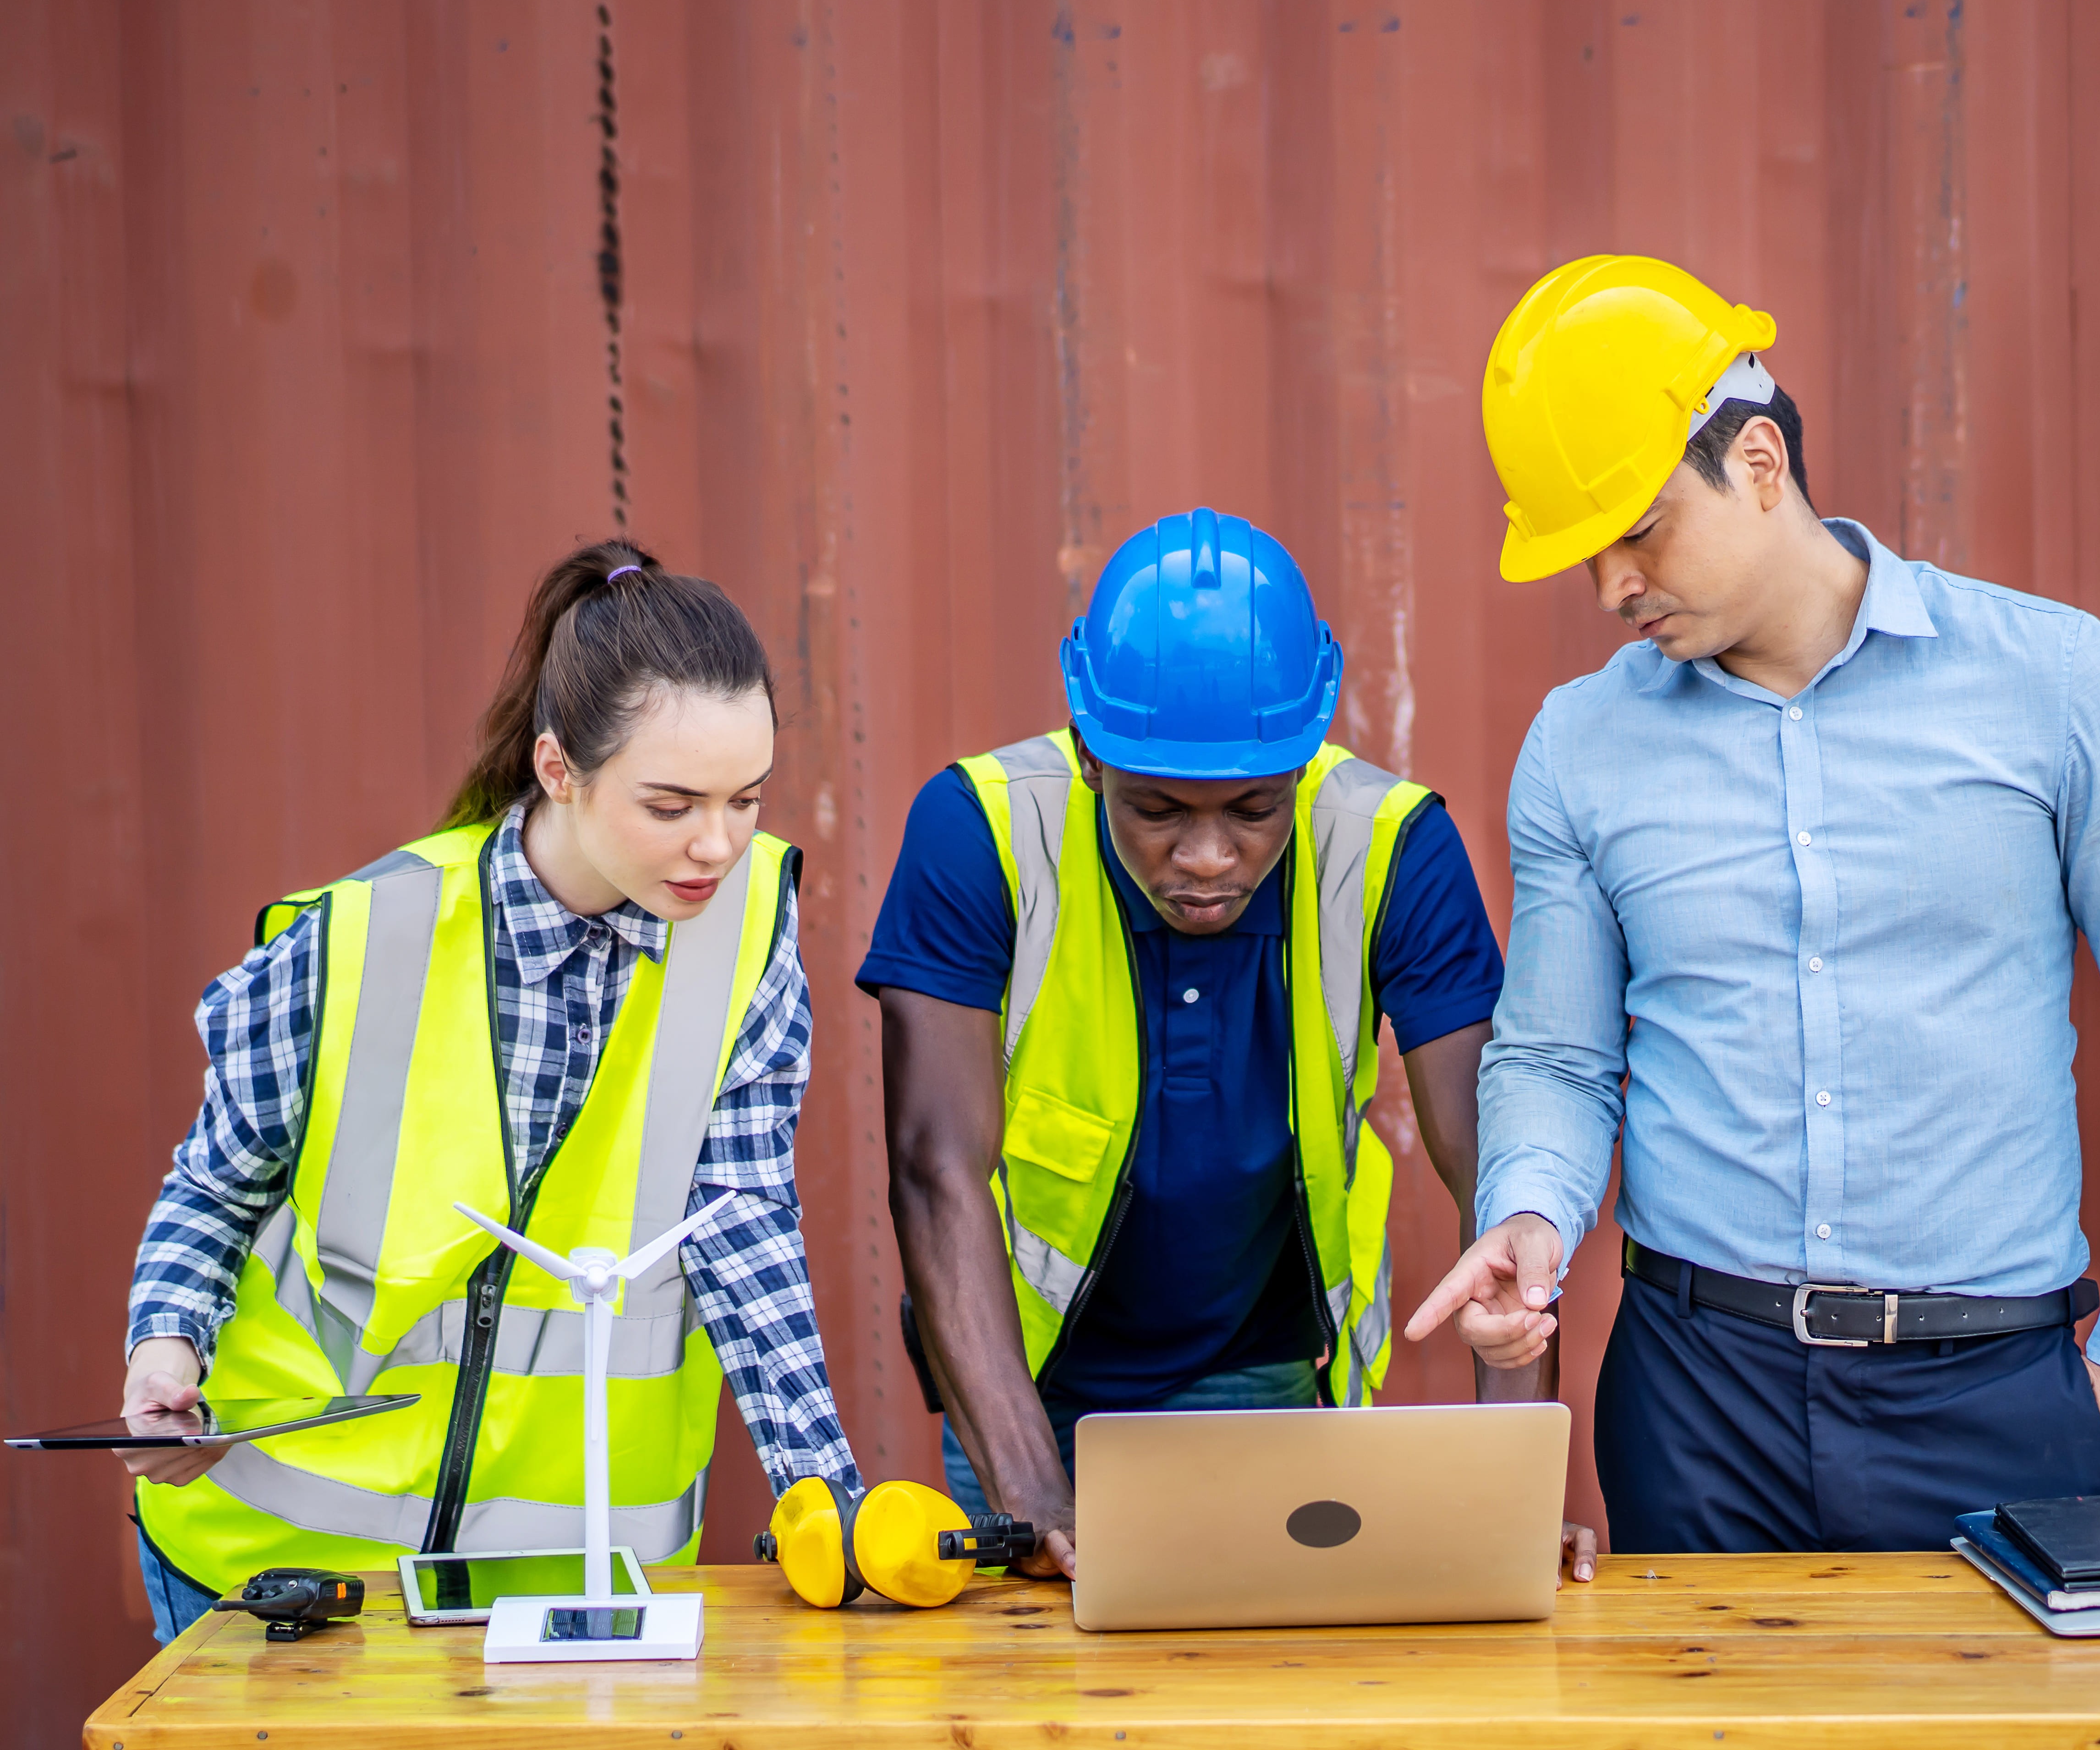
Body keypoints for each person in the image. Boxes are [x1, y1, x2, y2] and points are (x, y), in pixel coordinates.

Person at [1408, 255, 2100, 1554]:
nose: (1611, 589)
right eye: (1589, 556)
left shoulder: (2060, 687)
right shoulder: (1580, 746)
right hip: (1693, 1406)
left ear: (1757, 462)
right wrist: (1527, 1213)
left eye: (1637, 530)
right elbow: (1557, 1059)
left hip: (1996, 1394)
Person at [120, 541, 859, 1640]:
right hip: (286, 1571)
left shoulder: (748, 941)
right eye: (672, 804)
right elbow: (215, 1188)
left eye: (746, 799)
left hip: (563, 1581)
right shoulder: (360, 938)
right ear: (559, 769)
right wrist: (163, 1351)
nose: (719, 844)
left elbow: (744, 1228)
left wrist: (828, 1501)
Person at [866, 508, 1513, 1582]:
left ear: (1304, 755)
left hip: (1262, 1387)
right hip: (1023, 1395)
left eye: (1256, 811)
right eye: (1159, 811)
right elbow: (936, 1167)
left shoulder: (1393, 842)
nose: (1208, 858)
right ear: (1087, 753)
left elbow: (1498, 1169)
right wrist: (1031, 1492)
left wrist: (1505, 1485)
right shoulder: (978, 831)